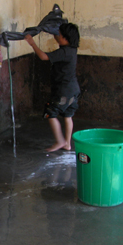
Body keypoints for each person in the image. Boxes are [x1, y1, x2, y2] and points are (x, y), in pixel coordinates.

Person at [24, 22, 81, 152]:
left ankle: (60, 141)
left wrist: (32, 43)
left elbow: (43, 57)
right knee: (68, 115)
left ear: (65, 38)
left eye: (59, 35)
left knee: (50, 112)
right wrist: (50, 30)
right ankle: (67, 143)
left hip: (64, 91)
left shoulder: (63, 52)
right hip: (74, 90)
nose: (57, 36)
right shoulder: (72, 49)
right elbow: (59, 38)